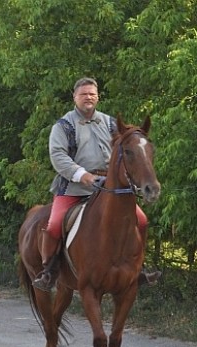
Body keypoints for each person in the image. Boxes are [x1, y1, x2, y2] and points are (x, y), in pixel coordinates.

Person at [32, 77, 161, 291]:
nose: (88, 97)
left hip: (109, 189)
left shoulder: (111, 123)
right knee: (54, 225)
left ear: (98, 97)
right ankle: (49, 271)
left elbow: (128, 149)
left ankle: (138, 267)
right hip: (73, 188)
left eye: (92, 94)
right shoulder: (63, 126)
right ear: (75, 97)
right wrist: (83, 176)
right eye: (83, 94)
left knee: (142, 220)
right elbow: (58, 156)